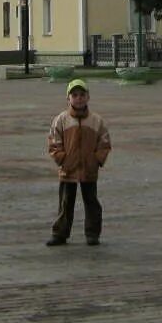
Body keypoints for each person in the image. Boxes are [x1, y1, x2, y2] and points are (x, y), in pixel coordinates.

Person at [46, 78, 111, 246]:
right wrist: (61, 158)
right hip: (68, 170)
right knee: (66, 203)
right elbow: (54, 141)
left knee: (92, 202)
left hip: (89, 170)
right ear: (68, 99)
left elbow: (104, 142)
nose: (79, 98)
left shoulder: (96, 121)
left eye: (82, 95)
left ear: (88, 97)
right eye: (74, 95)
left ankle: (93, 233)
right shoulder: (61, 120)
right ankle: (60, 233)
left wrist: (97, 160)